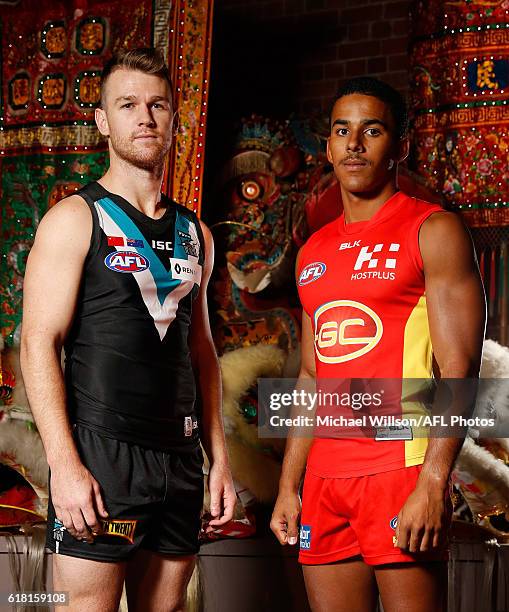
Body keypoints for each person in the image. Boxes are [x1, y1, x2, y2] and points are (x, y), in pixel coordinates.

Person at [21, 48, 235, 612]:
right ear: (102, 121)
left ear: (173, 121)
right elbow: (37, 343)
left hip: (181, 460)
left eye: (158, 105)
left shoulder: (197, 234)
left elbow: (203, 354)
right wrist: (65, 468)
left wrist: (220, 465)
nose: (145, 117)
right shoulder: (73, 219)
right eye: (128, 104)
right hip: (101, 456)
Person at [270, 77, 486, 611]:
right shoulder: (312, 252)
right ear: (328, 148)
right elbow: (311, 377)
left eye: (372, 131)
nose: (354, 145)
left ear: (400, 147)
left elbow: (460, 368)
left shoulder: (432, 231)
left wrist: (434, 482)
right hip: (325, 477)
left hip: (400, 469)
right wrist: (288, 485)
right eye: (342, 131)